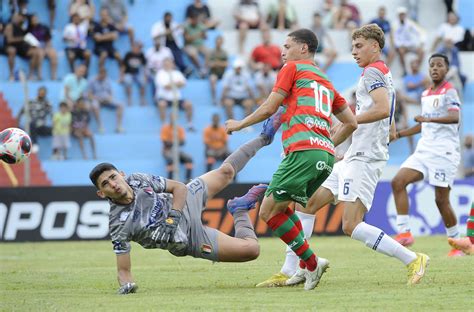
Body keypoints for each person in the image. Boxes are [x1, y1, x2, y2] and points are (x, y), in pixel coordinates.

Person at [253, 25, 429, 289]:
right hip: (353, 155)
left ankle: (413, 258)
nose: (354, 51)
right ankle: (292, 269)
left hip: (365, 158)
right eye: (353, 46)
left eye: (359, 46)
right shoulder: (383, 74)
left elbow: (380, 110)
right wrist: (324, 143)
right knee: (306, 204)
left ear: (375, 47)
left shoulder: (372, 73)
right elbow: (390, 126)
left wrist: (350, 119)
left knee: (351, 225)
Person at [89, 112, 281, 294]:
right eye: (106, 184)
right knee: (251, 250)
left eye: (113, 177)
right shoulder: (118, 224)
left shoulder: (138, 180)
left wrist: (172, 218)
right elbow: (123, 269)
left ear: (122, 174)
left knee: (225, 172)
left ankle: (264, 137)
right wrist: (127, 285)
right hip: (188, 238)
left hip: (183, 202)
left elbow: (179, 188)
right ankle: (239, 209)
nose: (113, 184)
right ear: (100, 193)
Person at [225, 28, 358, 291]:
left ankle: (311, 262)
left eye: (287, 46)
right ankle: (307, 265)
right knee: (283, 209)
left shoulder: (293, 69)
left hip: (302, 151)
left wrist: (240, 124)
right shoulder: (326, 81)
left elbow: (269, 107)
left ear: (304, 49)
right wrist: (327, 144)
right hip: (324, 157)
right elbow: (351, 122)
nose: (282, 52)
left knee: (267, 211)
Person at [391, 54, 464, 257]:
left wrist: (427, 118)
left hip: (444, 151)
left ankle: (457, 243)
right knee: (398, 181)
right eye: (431, 65)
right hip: (424, 149)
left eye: (439, 65)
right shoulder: (425, 94)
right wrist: (400, 134)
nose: (434, 68)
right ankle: (404, 232)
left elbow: (454, 117)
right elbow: (424, 124)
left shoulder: (449, 91)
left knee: (441, 200)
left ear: (446, 70)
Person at [155, 58, 194, 131]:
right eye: (166, 64)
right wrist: (176, 83)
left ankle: (190, 124)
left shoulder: (177, 73)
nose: (168, 65)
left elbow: (183, 84)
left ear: (172, 64)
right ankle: (164, 125)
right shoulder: (160, 74)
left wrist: (171, 84)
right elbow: (165, 86)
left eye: (169, 63)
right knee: (162, 104)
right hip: (164, 98)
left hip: (177, 98)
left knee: (189, 104)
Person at [4, 13, 41, 80]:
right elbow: (9, 40)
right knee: (12, 50)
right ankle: (11, 74)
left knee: (36, 52)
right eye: (19, 16)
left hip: (21, 48)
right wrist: (23, 38)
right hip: (10, 46)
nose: (21, 18)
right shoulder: (10, 26)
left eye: (22, 17)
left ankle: (31, 75)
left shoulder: (23, 27)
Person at [88, 67, 124, 133]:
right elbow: (89, 94)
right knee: (94, 106)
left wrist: (110, 98)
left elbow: (110, 93)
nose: (103, 77)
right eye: (102, 75)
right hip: (97, 99)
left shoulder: (107, 80)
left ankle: (119, 126)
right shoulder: (92, 80)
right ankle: (100, 126)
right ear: (99, 74)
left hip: (106, 99)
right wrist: (97, 99)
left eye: (105, 75)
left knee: (120, 105)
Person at [17, 86, 53, 153]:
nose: (41, 94)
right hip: (31, 124)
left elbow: (52, 115)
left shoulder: (48, 103)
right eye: (40, 92)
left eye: (43, 93)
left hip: (41, 126)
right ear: (38, 92)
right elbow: (22, 111)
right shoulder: (31, 102)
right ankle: (34, 143)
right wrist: (18, 119)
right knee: (31, 124)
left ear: (45, 94)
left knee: (55, 130)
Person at [160, 115, 193, 181]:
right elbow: (165, 142)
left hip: (177, 150)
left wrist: (172, 142)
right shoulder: (165, 128)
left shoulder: (179, 129)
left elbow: (183, 142)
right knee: (171, 160)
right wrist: (176, 142)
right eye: (172, 118)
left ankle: (188, 180)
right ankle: (170, 181)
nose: (173, 120)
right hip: (167, 150)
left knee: (189, 159)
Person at [393, 6, 424, 76]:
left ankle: (416, 68)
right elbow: (395, 38)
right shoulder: (395, 25)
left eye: (403, 14)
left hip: (411, 45)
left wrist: (421, 42)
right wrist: (399, 45)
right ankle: (404, 70)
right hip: (402, 46)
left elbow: (419, 32)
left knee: (421, 52)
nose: (402, 16)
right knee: (401, 51)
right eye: (400, 15)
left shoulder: (410, 23)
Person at [27, 14, 57, 80]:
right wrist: (38, 47)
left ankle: (54, 75)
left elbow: (48, 40)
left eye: (36, 19)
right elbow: (29, 42)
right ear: (30, 21)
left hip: (45, 46)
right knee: (40, 53)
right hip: (35, 47)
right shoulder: (28, 29)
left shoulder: (44, 27)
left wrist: (47, 48)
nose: (35, 20)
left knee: (53, 53)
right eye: (33, 19)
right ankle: (39, 75)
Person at [183, 12, 209, 77]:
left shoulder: (201, 26)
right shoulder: (186, 26)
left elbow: (205, 37)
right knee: (193, 53)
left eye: (196, 19)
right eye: (194, 19)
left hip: (200, 45)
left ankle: (205, 69)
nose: (195, 21)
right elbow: (187, 39)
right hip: (190, 45)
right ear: (191, 19)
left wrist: (204, 35)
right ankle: (200, 68)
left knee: (209, 52)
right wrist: (198, 35)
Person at [121, 41, 147, 106]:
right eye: (134, 47)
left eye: (137, 47)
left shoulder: (141, 55)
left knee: (143, 81)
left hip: (138, 74)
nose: (136, 49)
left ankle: (142, 99)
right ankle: (129, 99)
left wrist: (145, 75)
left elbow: (144, 66)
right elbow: (123, 66)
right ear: (132, 47)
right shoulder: (128, 54)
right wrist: (121, 76)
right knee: (127, 81)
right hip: (128, 73)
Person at [208, 36, 228, 106]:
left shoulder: (224, 52)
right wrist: (220, 63)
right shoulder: (211, 52)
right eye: (217, 42)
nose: (218, 44)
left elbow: (226, 64)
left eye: (220, 42)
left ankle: (223, 99)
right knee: (212, 80)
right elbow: (209, 64)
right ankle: (214, 99)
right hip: (214, 73)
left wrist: (216, 63)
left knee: (227, 83)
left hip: (223, 74)